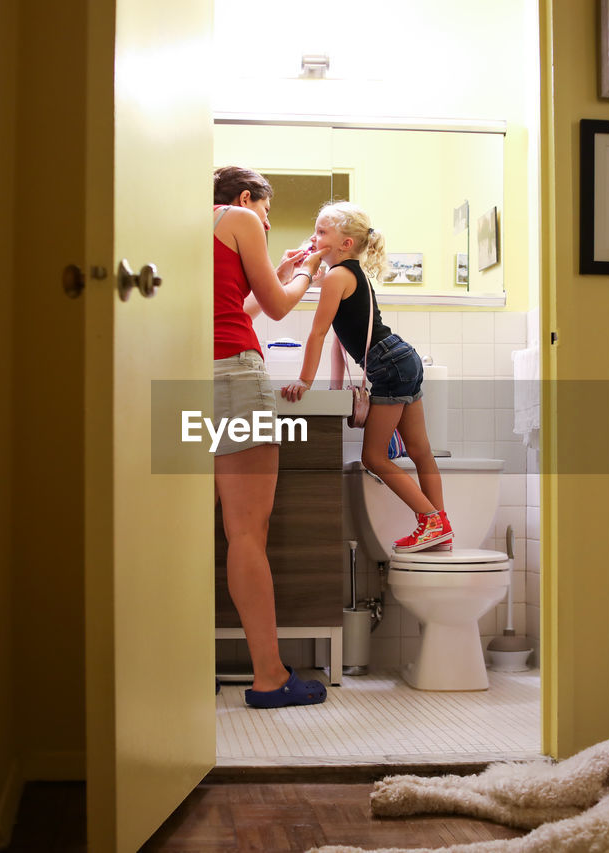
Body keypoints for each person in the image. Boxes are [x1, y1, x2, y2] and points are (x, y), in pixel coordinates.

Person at [211, 166, 329, 708]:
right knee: (246, 533)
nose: (265, 220)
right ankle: (269, 677)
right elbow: (279, 309)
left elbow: (238, 307)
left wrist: (279, 269)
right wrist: (313, 271)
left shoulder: (183, 225)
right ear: (244, 198)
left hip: (195, 378)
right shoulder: (239, 217)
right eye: (267, 210)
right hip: (236, 375)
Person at [280, 201, 452, 553]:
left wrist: (305, 382)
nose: (314, 238)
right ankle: (441, 526)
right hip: (403, 357)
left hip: (388, 364)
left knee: (375, 457)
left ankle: (431, 523)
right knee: (420, 451)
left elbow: (317, 333)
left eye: (322, 232)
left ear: (345, 244)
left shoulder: (337, 277)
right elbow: (339, 339)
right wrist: (333, 385)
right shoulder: (351, 274)